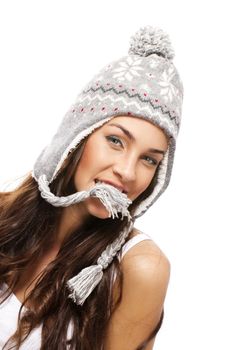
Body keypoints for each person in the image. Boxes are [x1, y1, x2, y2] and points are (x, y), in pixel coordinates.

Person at [0, 25, 184, 350]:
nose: (127, 172)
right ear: (77, 137)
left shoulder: (140, 269)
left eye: (149, 160)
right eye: (115, 140)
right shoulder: (4, 214)